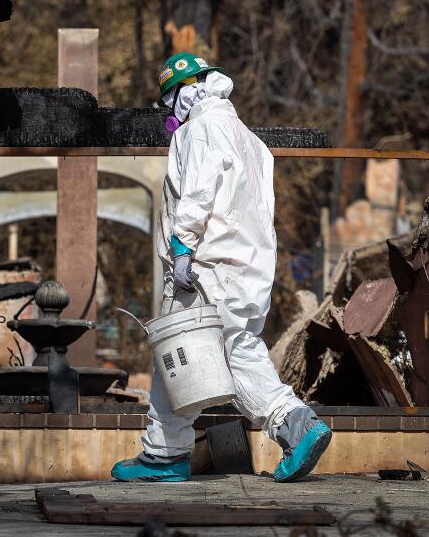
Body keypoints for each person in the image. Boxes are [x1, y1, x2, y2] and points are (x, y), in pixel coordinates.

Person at [111, 53, 332, 483]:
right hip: (248, 270)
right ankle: (296, 426)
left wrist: (181, 250)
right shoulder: (251, 140)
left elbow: (197, 193)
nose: (170, 115)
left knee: (174, 356)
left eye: (169, 102)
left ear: (181, 94)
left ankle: (164, 456)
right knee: (241, 350)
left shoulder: (200, 128)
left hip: (206, 268)